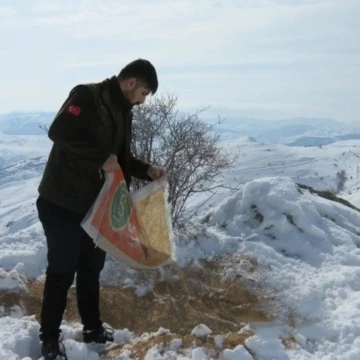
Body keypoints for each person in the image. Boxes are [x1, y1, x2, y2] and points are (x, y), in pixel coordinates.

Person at [36, 59, 165, 360]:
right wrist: (98, 158)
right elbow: (59, 132)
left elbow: (118, 159)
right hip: (62, 202)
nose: (144, 100)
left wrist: (148, 170)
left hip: (95, 205)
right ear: (131, 82)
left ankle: (92, 328)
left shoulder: (123, 112)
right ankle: (49, 339)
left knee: (91, 268)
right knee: (61, 271)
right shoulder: (87, 96)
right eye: (144, 92)